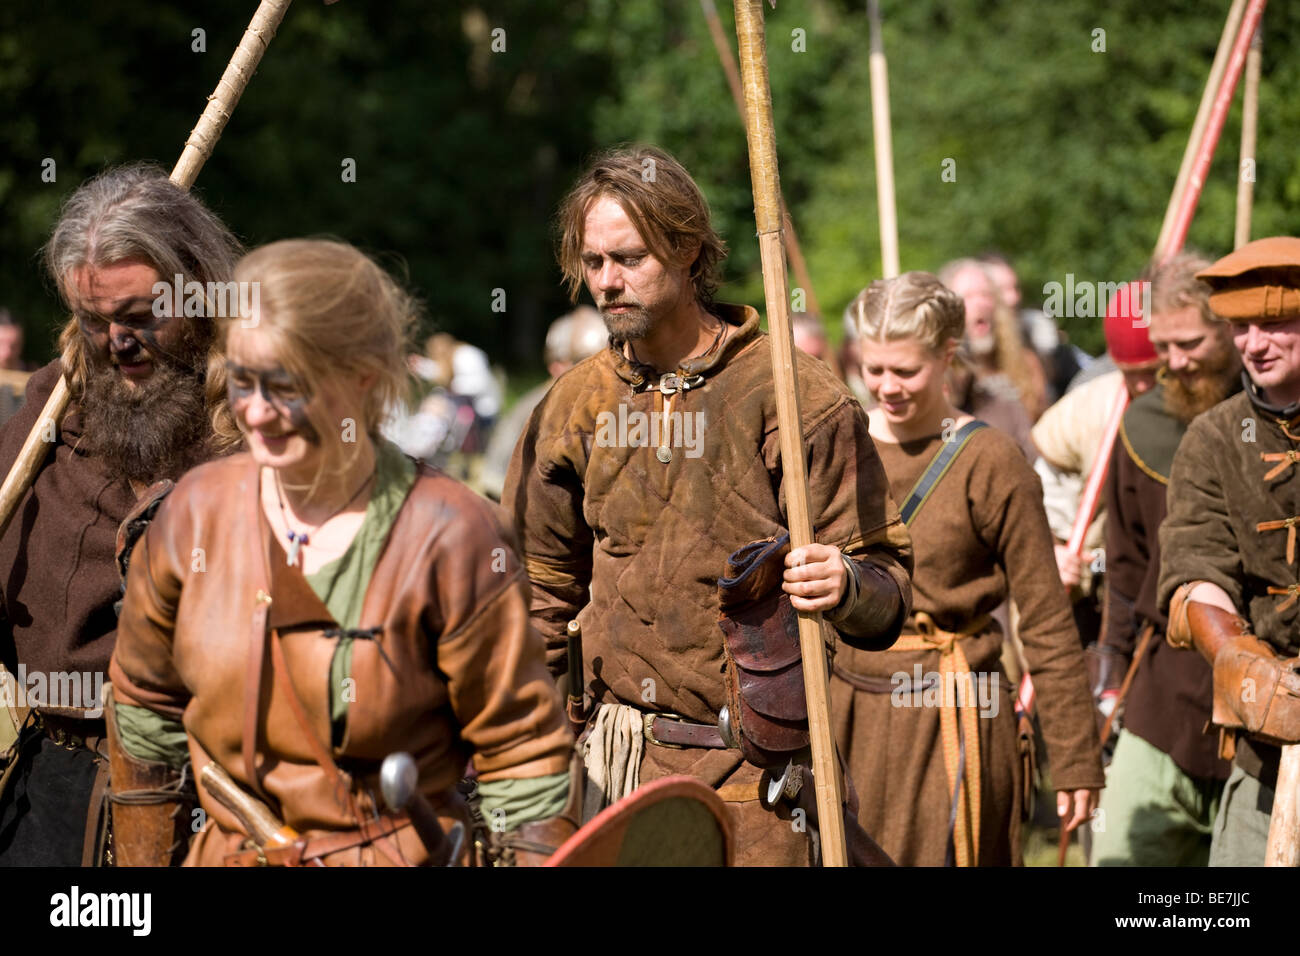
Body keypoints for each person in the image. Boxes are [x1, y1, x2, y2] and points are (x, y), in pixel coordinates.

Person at [503, 145, 913, 866]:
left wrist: (843, 584)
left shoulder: (793, 393)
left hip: (756, 779)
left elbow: (887, 588)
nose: (607, 281)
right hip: (615, 770)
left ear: (689, 250)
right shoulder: (576, 403)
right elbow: (538, 594)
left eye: (628, 259)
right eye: (593, 262)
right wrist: (519, 756)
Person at [108, 238, 575, 866]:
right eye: (243, 382)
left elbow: (522, 758)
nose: (256, 411)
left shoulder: (451, 533)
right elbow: (143, 710)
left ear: (361, 379)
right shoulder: (195, 513)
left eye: (286, 387)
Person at [0, 164, 240, 866]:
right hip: (51, 797)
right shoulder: (45, 420)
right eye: (95, 321)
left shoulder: (262, 421)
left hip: (214, 800)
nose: (120, 343)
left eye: (142, 317)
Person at [830, 271, 1103, 866]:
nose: (886, 386)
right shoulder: (834, 448)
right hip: (848, 715)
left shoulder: (992, 461)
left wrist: (1076, 758)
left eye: (906, 370)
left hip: (957, 713)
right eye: (873, 369)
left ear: (947, 355)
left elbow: (1047, 621)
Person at [1090, 253, 1238, 866]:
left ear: (1229, 328)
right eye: (1162, 346)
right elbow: (1124, 564)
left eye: (1189, 343)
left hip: (1261, 687)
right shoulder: (1142, 425)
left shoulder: (1276, 422)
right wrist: (1111, 672)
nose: (1172, 362)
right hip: (1162, 687)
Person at [1159, 236, 1300, 867]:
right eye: (1241, 327)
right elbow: (1195, 569)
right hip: (1267, 738)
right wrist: (1244, 662)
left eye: (1273, 324)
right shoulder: (1213, 438)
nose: (1253, 343)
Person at [1032, 282, 1161, 647]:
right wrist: (1053, 549)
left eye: (1153, 371)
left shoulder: (1200, 403)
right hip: (1097, 591)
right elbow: (1043, 496)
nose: (1142, 384)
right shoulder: (1087, 411)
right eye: (1132, 372)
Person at [480, 306, 607, 502]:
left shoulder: (613, 406)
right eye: (585, 363)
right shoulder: (532, 411)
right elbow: (496, 484)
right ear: (557, 366)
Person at [940, 257, 1049, 422]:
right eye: (968, 296)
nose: (981, 303)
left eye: (986, 295)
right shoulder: (939, 373)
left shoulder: (1027, 364)